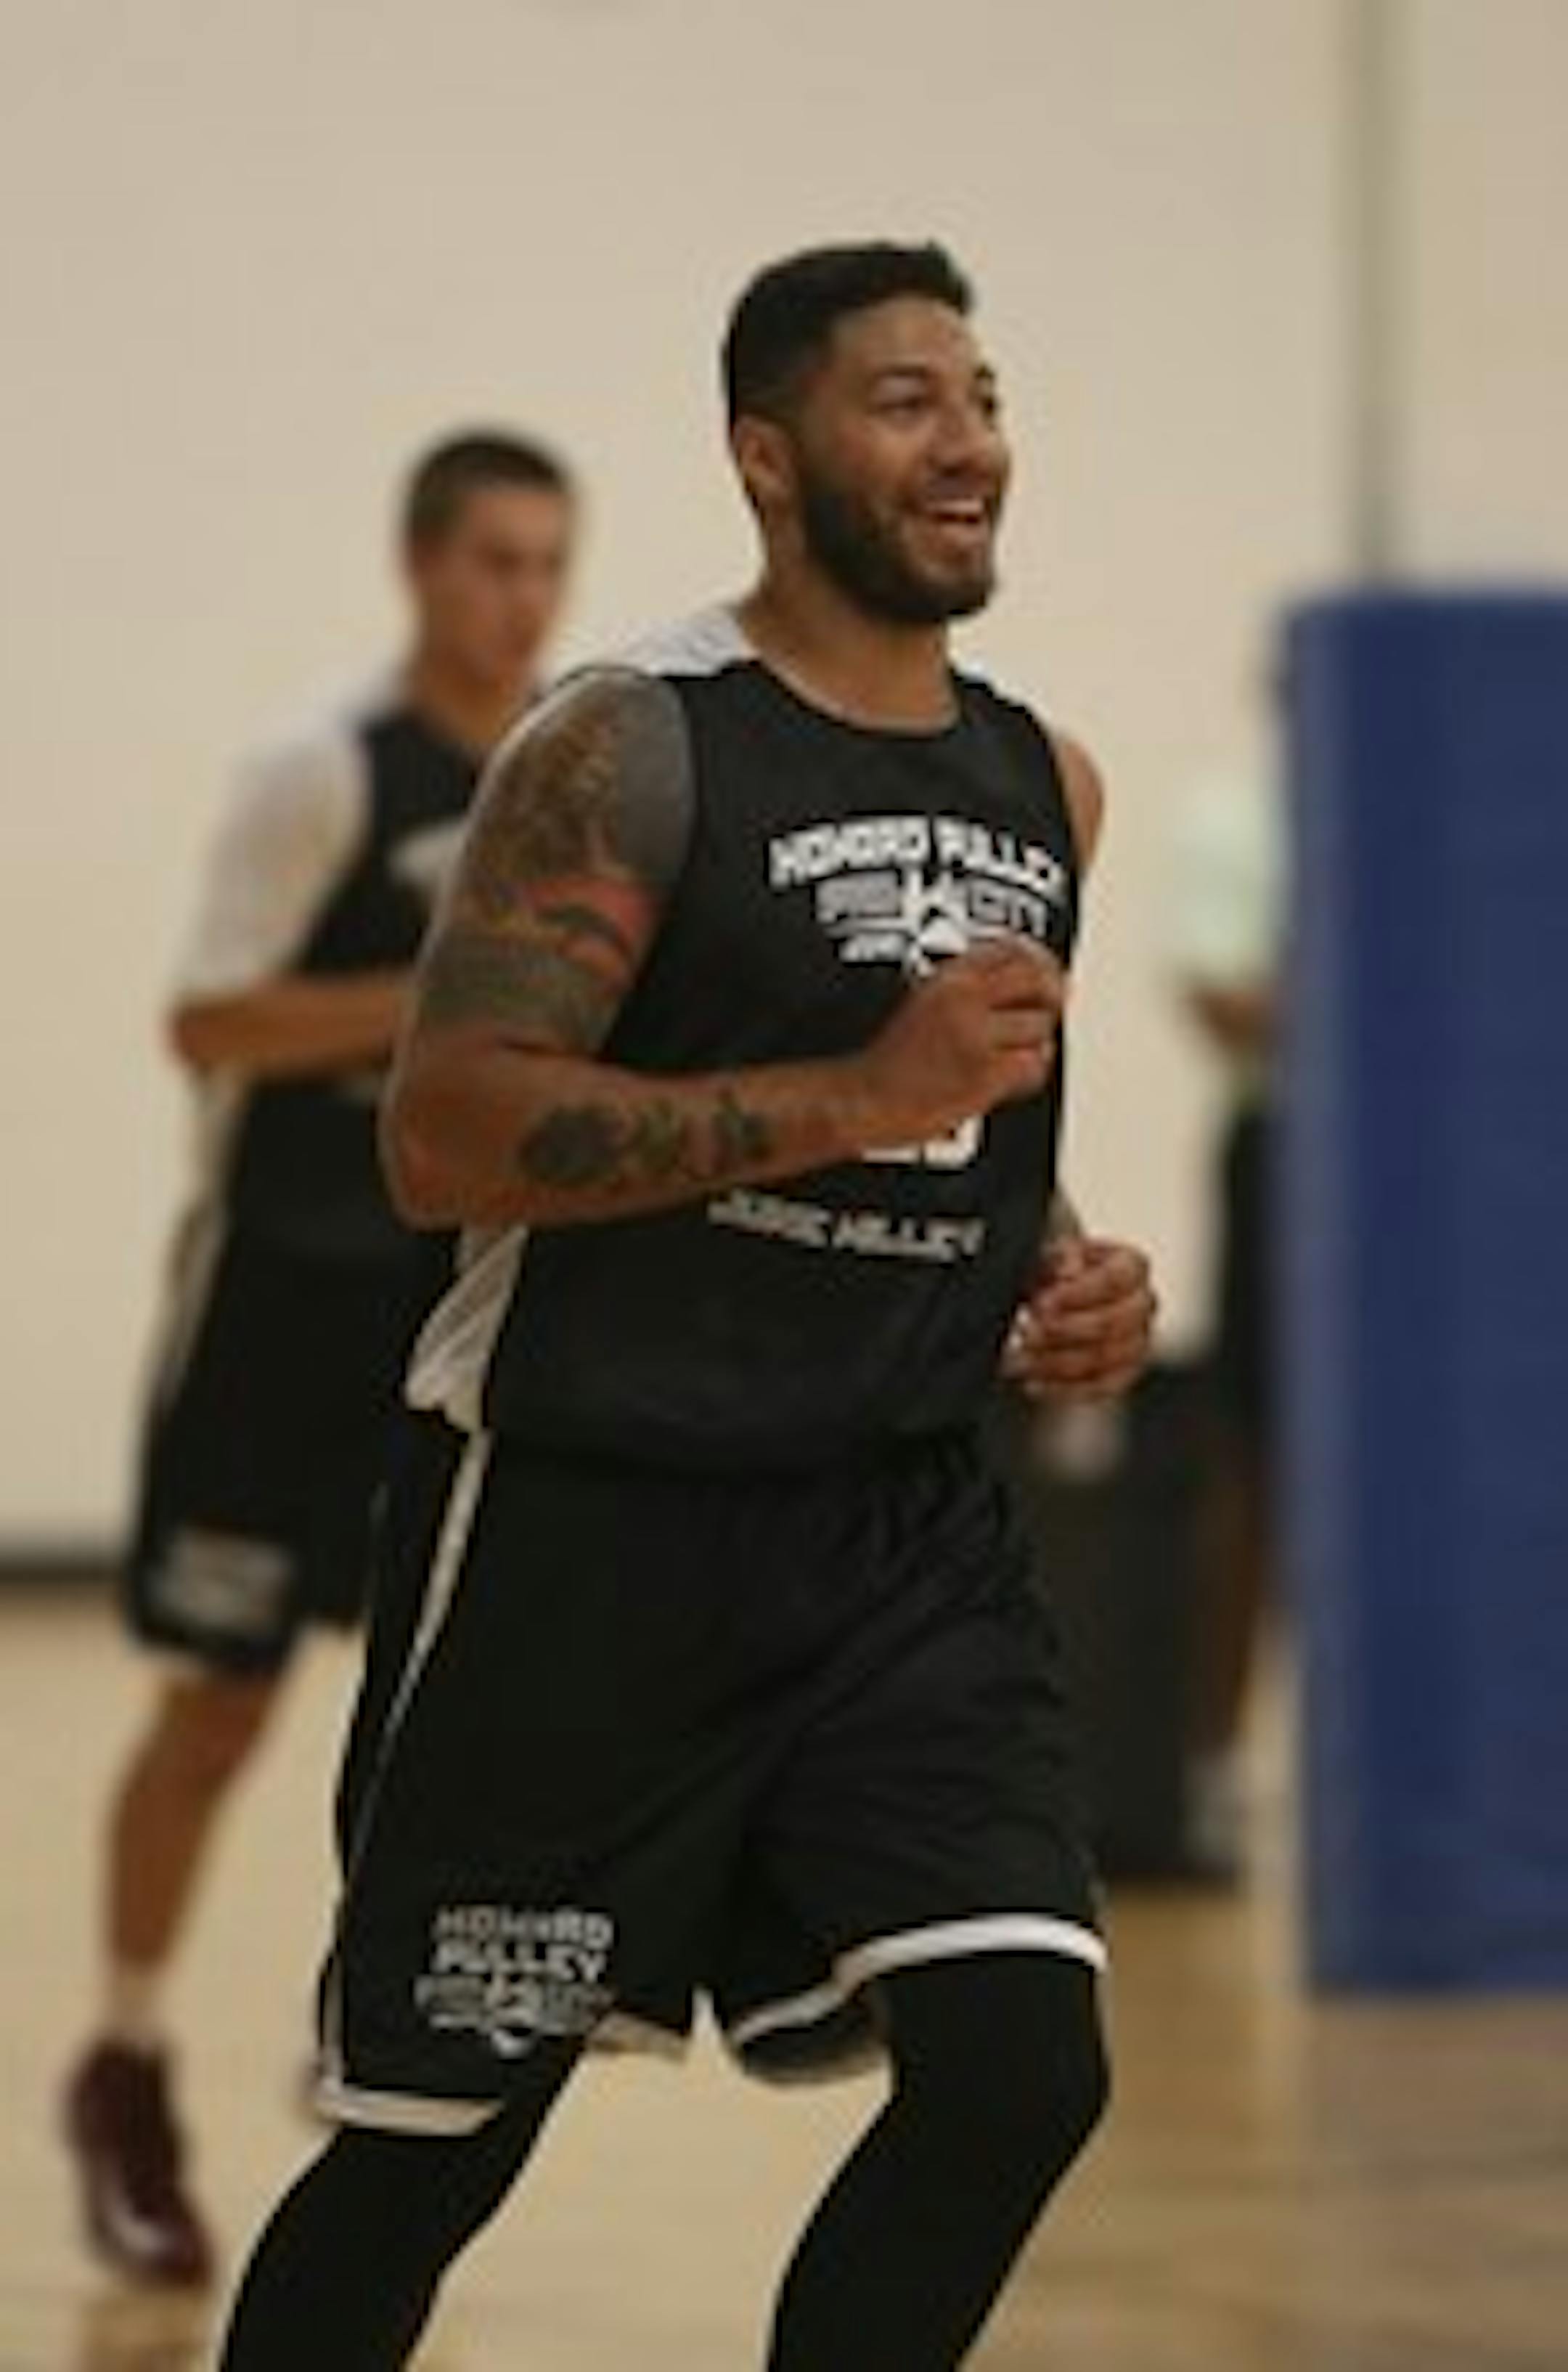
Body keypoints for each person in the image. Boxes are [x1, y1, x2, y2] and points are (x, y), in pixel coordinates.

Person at [219, 241, 1156, 2371]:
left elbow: (966, 1123)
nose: (969, 442)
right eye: (905, 400)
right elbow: (446, 1131)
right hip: (586, 1528)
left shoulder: (1046, 780)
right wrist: (860, 1095)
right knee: (434, 2147)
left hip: (900, 1535)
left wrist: (1059, 1262)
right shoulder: (628, 745)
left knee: (1024, 2065)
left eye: (985, 395)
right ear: (767, 454)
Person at [64, 431, 577, 2286]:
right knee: (220, 1705)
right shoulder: (325, 769)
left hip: (448, 1310)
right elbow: (207, 1018)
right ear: (421, 566)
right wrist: (443, 993)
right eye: (495, 560)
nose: (523, 597)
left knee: (454, 1704)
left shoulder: (579, 777)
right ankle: (125, 2059)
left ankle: (372, 2021)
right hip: (275, 1305)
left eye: (549, 563)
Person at [1169, 725, 1284, 1879]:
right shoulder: (1239, 818)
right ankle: (1211, 1767)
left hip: (1452, 1163)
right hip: (1288, 1147)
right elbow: (1223, 997)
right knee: (1248, 1462)